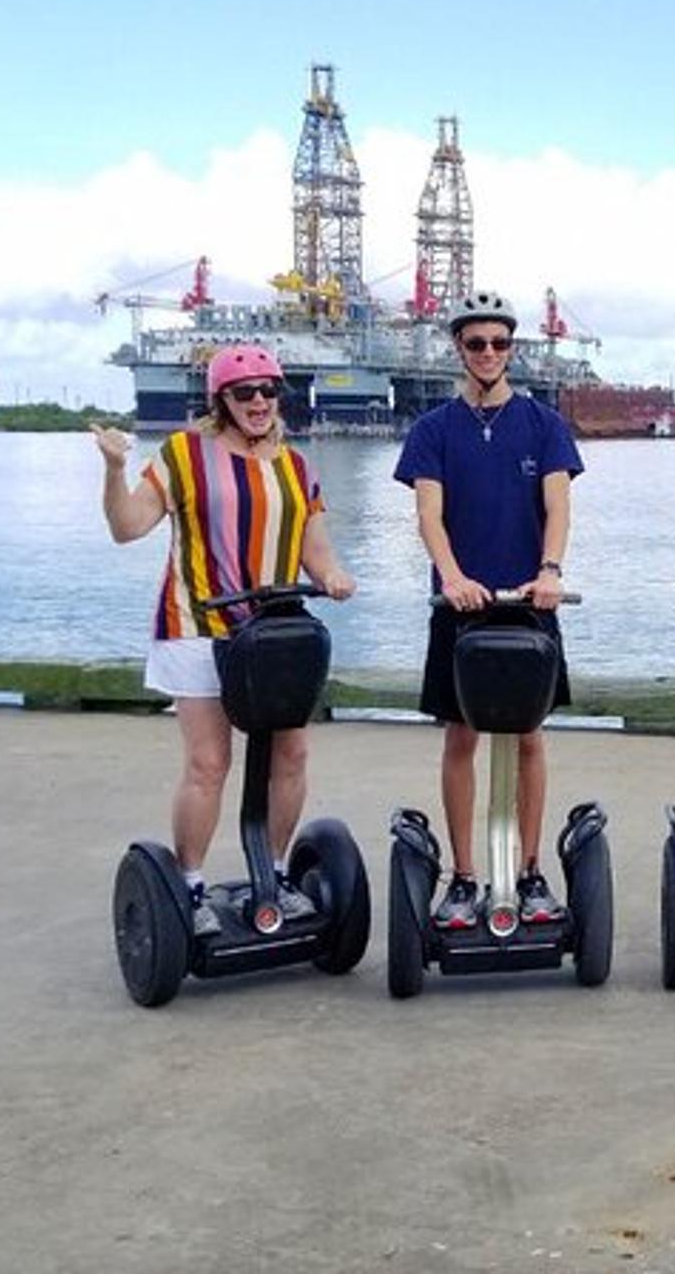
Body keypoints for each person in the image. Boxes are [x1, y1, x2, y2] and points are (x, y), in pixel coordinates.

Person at [92, 344, 357, 937]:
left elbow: (316, 546)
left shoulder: (296, 466)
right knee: (209, 763)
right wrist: (113, 469)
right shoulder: (185, 455)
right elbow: (127, 527)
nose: (260, 402)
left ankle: (280, 875)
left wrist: (333, 576)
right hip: (197, 626)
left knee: (291, 756)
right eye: (245, 393)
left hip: (273, 633)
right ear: (222, 401)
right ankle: (188, 886)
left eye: (269, 391)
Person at [393, 290, 583, 930]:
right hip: (461, 604)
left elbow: (557, 506)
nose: (489, 353)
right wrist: (452, 577)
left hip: (529, 601)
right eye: (476, 343)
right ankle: (465, 876)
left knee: (529, 736)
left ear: (512, 348)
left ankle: (529, 872)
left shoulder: (543, 425)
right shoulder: (433, 429)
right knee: (461, 736)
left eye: (500, 343)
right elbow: (429, 513)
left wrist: (550, 572)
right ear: (459, 349)